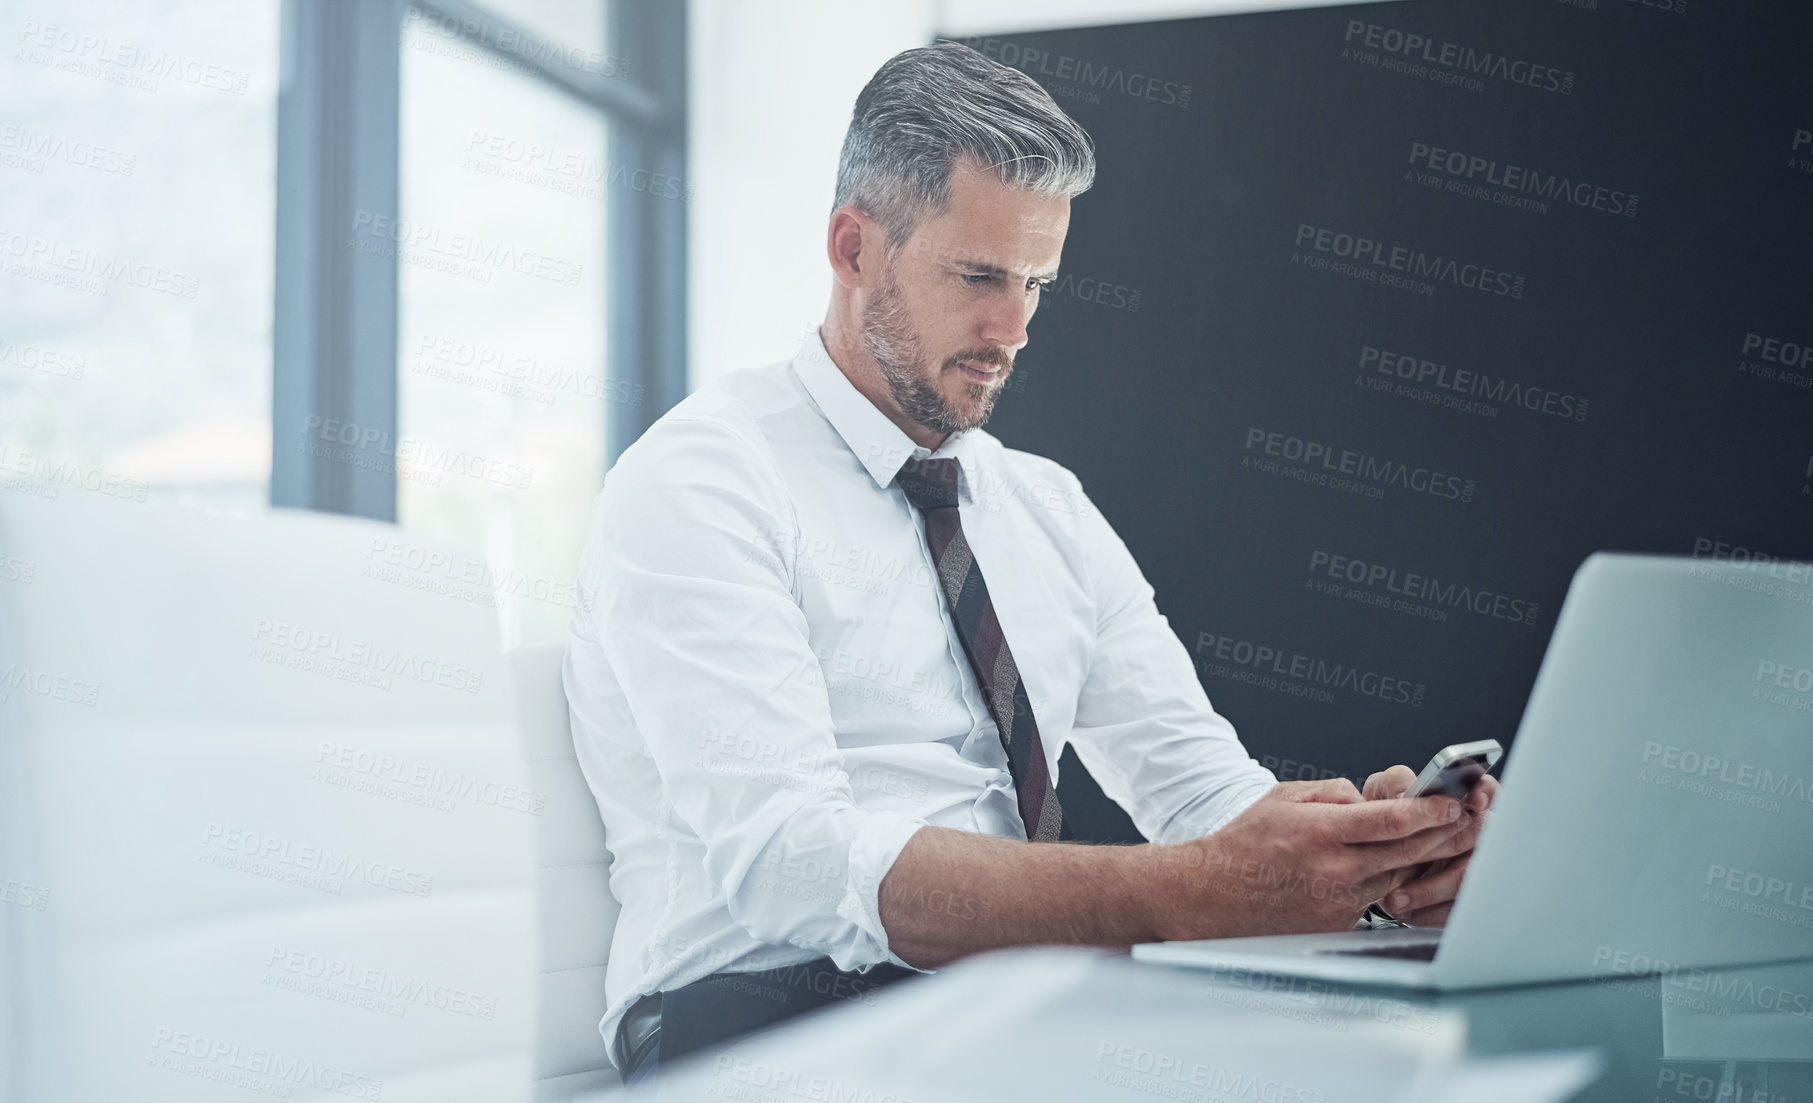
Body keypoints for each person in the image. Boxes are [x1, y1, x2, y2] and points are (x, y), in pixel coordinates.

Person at [563, 40, 1496, 1083]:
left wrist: (1372, 857)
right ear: (852, 245)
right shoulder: (702, 481)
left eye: (1036, 285)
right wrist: (1195, 890)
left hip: (1011, 1008)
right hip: (761, 1016)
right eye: (976, 277)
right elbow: (792, 865)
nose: (1011, 329)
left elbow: (1201, 799)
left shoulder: (1042, 506)